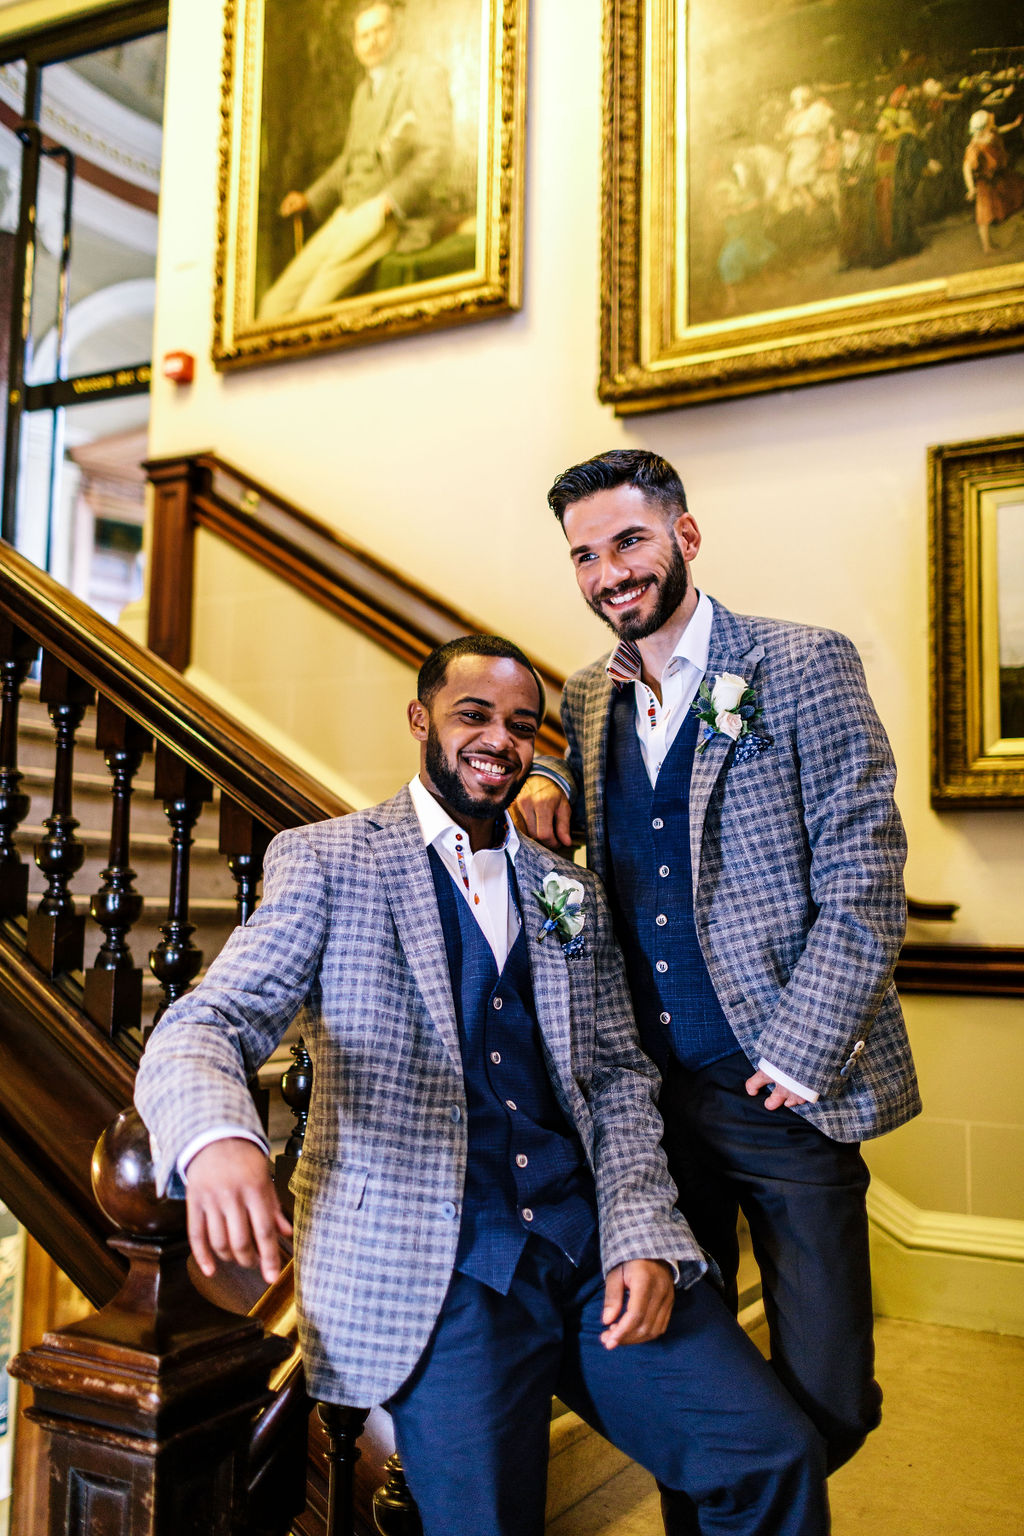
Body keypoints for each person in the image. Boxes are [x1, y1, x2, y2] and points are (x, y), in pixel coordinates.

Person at [135, 635, 828, 1536]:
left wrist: (643, 1234)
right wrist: (219, 1139)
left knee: (770, 1455)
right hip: (440, 1272)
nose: (500, 739)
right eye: (474, 714)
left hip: (587, 1249)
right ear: (421, 719)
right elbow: (205, 1022)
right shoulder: (330, 860)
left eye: (521, 725)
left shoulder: (565, 887)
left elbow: (617, 1079)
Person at [514, 450, 921, 1536]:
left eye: (629, 542)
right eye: (585, 555)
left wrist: (796, 1054)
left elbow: (866, 876)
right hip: (651, 1108)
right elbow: (607, 839)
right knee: (695, 1386)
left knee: (829, 1396)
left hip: (778, 1086)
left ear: (685, 537)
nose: (609, 574)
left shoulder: (801, 662)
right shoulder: (587, 694)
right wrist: (545, 779)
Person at [258, 1, 453, 320]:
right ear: (355, 44)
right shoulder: (364, 91)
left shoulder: (423, 74)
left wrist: (391, 201)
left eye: (379, 30)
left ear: (396, 31)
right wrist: (310, 197)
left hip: (385, 214)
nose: (372, 41)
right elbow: (350, 159)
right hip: (348, 211)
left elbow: (438, 150)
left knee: (310, 310)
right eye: (364, 35)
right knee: (273, 306)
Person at [963, 108, 1024, 254]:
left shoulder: (992, 133)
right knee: (984, 215)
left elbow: (1001, 129)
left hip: (999, 176)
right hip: (985, 182)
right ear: (983, 125)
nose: (993, 120)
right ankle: (986, 247)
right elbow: (966, 168)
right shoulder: (975, 146)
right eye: (989, 120)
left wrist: (1015, 124)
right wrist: (971, 188)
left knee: (1018, 190)